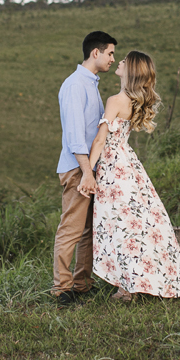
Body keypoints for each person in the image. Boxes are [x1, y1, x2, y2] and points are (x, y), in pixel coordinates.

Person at [82, 50, 180, 301]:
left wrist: (87, 172)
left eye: (123, 61)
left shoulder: (115, 100)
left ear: (130, 70)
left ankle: (127, 287)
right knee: (139, 224)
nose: (118, 62)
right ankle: (141, 280)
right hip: (129, 165)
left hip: (113, 168)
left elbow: (101, 139)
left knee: (120, 225)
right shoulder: (135, 101)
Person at [52, 30, 117, 306]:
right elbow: (75, 136)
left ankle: (81, 283)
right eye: (110, 53)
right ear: (96, 53)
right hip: (79, 168)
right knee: (71, 227)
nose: (113, 59)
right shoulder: (76, 85)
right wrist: (87, 173)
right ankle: (61, 289)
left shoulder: (90, 83)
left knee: (89, 228)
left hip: (89, 167)